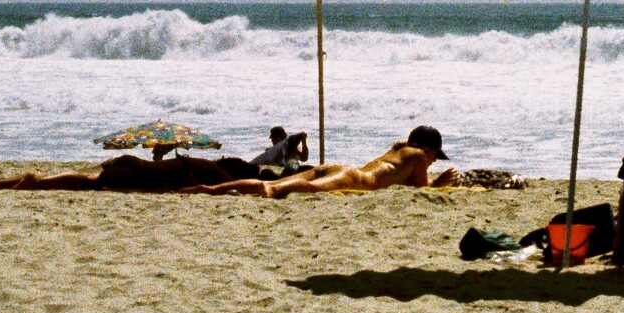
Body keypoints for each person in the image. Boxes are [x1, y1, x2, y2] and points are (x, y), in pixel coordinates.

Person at [0, 125, 312, 192]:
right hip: (143, 174)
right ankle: (30, 182)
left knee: (86, 176)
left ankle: (3, 183)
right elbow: (230, 185)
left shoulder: (208, 167)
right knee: (86, 182)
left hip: (141, 167)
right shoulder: (215, 174)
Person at [192, 125, 456, 198]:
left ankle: (207, 189)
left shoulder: (399, 152)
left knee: (276, 184)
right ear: (426, 149)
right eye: (435, 155)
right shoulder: (417, 156)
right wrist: (439, 183)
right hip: (353, 178)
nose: (434, 161)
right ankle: (209, 190)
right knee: (272, 189)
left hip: (339, 169)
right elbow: (421, 190)